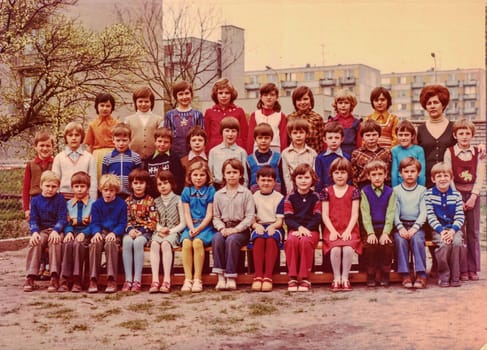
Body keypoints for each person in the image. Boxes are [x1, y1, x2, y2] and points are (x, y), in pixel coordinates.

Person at [443, 118, 484, 281]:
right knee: (461, 232)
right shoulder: (450, 152)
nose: (465, 136)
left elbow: (480, 175)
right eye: (461, 133)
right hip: (456, 196)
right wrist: (456, 197)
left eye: (468, 133)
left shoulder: (478, 152)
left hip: (472, 195)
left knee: (473, 232)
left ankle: (473, 268)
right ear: (455, 135)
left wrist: (473, 196)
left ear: (472, 135)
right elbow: (449, 175)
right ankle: (462, 269)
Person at [212, 158, 255, 291]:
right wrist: (222, 228)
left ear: (241, 174)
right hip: (224, 226)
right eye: (228, 172)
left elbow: (249, 217)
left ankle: (230, 276)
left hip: (240, 229)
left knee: (232, 240)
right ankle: (220, 276)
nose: (231, 175)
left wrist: (236, 229)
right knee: (217, 238)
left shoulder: (246, 193)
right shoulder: (219, 194)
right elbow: (215, 216)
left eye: (235, 172)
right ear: (223, 175)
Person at [321, 158, 362, 292]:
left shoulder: (354, 191)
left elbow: (355, 214)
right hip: (333, 229)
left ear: (348, 174)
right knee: (336, 249)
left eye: (343, 172)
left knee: (348, 249)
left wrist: (348, 230)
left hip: (349, 229)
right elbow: (325, 215)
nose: (339, 176)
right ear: (331, 174)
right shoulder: (326, 191)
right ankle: (336, 278)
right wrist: (332, 231)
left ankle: (345, 278)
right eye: (337, 172)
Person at [23, 171, 67, 292]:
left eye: (54, 187)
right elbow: (33, 219)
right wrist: (35, 232)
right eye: (47, 186)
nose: (50, 189)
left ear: (58, 187)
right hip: (41, 231)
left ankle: (54, 275)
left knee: (55, 242)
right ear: (41, 185)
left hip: (56, 230)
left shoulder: (60, 200)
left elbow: (63, 218)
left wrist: (56, 230)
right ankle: (31, 276)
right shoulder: (36, 200)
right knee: (36, 242)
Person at [425, 162, 465, 287]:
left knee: (457, 242)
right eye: (439, 176)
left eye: (446, 176)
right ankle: (444, 275)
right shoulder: (429, 194)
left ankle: (455, 276)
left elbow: (460, 216)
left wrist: (452, 231)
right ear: (433, 179)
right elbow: (430, 216)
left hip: (454, 229)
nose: (442, 179)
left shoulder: (456, 195)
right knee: (444, 244)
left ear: (451, 178)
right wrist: (442, 231)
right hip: (438, 230)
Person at [179, 161, 217, 293]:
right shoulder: (186, 191)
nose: (198, 178)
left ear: (207, 177)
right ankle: (188, 278)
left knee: (197, 242)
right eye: (195, 175)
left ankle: (197, 278)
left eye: (202, 175)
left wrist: (199, 228)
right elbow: (186, 212)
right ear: (190, 176)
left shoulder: (211, 191)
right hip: (190, 225)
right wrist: (191, 227)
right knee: (186, 243)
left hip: (205, 226)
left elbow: (209, 214)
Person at [284, 163, 321, 292]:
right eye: (300, 177)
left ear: (312, 179)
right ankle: (293, 277)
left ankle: (305, 277)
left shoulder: (316, 197)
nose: (303, 181)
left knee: (305, 242)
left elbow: (317, 217)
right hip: (295, 230)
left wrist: (306, 229)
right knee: (291, 241)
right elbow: (288, 218)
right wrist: (299, 228)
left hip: (312, 231)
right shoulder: (290, 197)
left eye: (306, 177)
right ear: (294, 180)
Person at [88, 174, 127, 294]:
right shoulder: (96, 204)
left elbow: (122, 223)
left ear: (116, 191)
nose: (108, 193)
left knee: (111, 244)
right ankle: (93, 278)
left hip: (115, 232)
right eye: (105, 190)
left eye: (111, 190)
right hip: (101, 231)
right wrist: (96, 233)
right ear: (101, 190)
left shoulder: (121, 204)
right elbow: (94, 222)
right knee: (95, 243)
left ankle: (111, 278)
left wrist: (115, 233)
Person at [393, 157, 428, 289]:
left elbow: (423, 212)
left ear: (418, 173)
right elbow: (394, 212)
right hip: (401, 225)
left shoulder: (422, 191)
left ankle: (421, 273)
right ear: (400, 173)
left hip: (416, 225)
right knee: (400, 240)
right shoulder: (396, 191)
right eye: (406, 171)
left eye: (412, 171)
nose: (409, 174)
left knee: (417, 240)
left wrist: (415, 228)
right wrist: (400, 227)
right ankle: (405, 273)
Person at [360, 160, 395, 287]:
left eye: (380, 174)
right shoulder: (365, 191)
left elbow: (390, 214)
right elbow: (365, 214)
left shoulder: (390, 192)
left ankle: (385, 272)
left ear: (386, 175)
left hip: (385, 227)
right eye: (373, 174)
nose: (377, 177)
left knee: (387, 245)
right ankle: (371, 273)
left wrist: (386, 233)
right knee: (370, 246)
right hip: (370, 228)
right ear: (368, 176)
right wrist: (370, 233)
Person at [122, 169, 158, 293]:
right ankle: (128, 280)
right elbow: (124, 219)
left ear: (146, 184)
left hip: (145, 232)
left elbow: (153, 221)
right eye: (135, 183)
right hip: (130, 231)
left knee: (138, 243)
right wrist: (130, 230)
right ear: (131, 184)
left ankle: (137, 280)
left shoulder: (150, 201)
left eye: (141, 183)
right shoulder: (127, 201)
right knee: (126, 242)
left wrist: (141, 231)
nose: (138, 186)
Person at [149, 170, 185, 293]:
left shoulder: (179, 200)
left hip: (174, 232)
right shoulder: (155, 201)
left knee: (165, 244)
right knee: (154, 244)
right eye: (159, 184)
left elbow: (183, 223)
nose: (163, 186)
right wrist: (159, 229)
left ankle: (167, 279)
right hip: (159, 231)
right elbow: (153, 220)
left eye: (165, 183)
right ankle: (155, 280)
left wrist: (170, 231)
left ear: (172, 184)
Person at [250, 166, 284, 292]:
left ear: (275, 182)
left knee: (270, 239)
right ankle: (258, 276)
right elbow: (251, 219)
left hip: (274, 225)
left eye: (269, 180)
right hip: (258, 224)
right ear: (257, 181)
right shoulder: (253, 197)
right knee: (258, 239)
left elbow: (280, 221)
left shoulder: (279, 197)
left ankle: (268, 276)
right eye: (263, 180)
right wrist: (256, 225)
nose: (266, 183)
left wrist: (272, 226)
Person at [59, 171, 94, 293]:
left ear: (88, 188)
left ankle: (77, 279)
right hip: (71, 232)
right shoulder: (68, 204)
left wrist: (84, 233)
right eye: (76, 187)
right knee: (67, 244)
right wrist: (68, 231)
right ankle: (64, 279)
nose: (79, 190)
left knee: (78, 245)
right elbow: (65, 221)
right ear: (72, 187)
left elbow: (94, 223)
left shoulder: (93, 204)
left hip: (86, 233)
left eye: (82, 186)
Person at [52, 122, 97, 200]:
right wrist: (55, 200)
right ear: (65, 138)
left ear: (82, 137)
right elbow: (55, 180)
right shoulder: (59, 158)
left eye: (77, 135)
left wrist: (92, 201)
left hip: (84, 198)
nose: (73, 138)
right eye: (70, 135)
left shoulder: (89, 157)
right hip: (63, 198)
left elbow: (93, 182)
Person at [163, 81, 204, 159]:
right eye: (180, 94)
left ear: (191, 95)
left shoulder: (198, 115)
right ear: (176, 97)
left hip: (194, 155)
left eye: (187, 93)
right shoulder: (169, 115)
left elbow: (202, 137)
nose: (184, 97)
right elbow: (166, 137)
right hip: (174, 155)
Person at [204, 78, 248, 151]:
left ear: (231, 94)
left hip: (235, 150)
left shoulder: (239, 111)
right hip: (215, 150)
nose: (223, 96)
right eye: (220, 93)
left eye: (227, 93)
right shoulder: (209, 112)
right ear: (216, 95)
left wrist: (245, 152)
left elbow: (244, 135)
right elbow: (206, 136)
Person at [84, 92, 118, 181]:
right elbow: (89, 145)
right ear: (97, 106)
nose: (104, 108)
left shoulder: (117, 124)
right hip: (98, 156)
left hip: (114, 154)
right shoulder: (93, 124)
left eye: (108, 106)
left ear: (112, 108)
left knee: (113, 179)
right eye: (102, 105)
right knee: (99, 180)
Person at [102, 123, 143, 198]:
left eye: (124, 140)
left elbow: (139, 177)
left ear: (130, 140)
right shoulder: (107, 157)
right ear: (113, 140)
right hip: (113, 195)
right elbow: (104, 178)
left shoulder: (135, 157)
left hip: (130, 195)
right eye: (118, 140)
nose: (121, 143)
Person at [124, 86, 163, 163]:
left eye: (146, 101)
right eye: (140, 101)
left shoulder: (159, 120)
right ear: (135, 102)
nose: (143, 104)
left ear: (151, 102)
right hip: (133, 158)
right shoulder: (128, 120)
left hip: (153, 158)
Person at [22, 129, 54, 221]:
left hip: (52, 201)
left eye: (48, 145)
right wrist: (27, 209)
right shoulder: (30, 165)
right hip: (36, 202)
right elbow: (26, 188)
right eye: (42, 145)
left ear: (52, 147)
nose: (45, 148)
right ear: (35, 147)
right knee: (36, 229)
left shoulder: (55, 162)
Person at [208, 116, 248, 189]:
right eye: (227, 131)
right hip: (218, 187)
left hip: (236, 187)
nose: (230, 134)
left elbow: (245, 177)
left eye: (233, 131)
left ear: (238, 133)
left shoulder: (241, 152)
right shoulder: (214, 151)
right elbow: (210, 175)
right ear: (221, 132)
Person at [246, 83, 287, 154]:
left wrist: (283, 156)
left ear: (277, 97)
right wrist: (249, 155)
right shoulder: (255, 115)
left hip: (275, 151)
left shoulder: (281, 116)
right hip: (257, 151)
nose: (269, 97)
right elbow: (250, 138)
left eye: (272, 95)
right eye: (265, 95)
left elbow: (283, 139)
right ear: (261, 97)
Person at [351, 119, 391, 189]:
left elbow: (389, 173)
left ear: (379, 135)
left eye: (374, 135)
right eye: (368, 135)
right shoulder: (356, 154)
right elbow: (354, 176)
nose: (371, 138)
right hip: (363, 187)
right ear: (362, 137)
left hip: (382, 187)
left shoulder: (386, 152)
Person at [281, 118, 317, 194]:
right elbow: (286, 176)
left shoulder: (312, 153)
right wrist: (290, 192)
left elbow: (313, 173)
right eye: (295, 133)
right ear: (290, 135)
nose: (298, 135)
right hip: (293, 191)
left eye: (301, 132)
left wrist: (311, 190)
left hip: (309, 190)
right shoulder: (285, 153)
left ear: (306, 134)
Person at [145, 127, 184, 197]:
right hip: (153, 197)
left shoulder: (174, 158)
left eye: (166, 142)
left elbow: (179, 180)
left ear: (171, 144)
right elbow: (147, 181)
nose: (162, 144)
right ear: (155, 142)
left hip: (171, 197)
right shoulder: (149, 160)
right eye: (159, 141)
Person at [287, 86, 326, 155]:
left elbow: (322, 142)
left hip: (313, 157)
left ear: (310, 100)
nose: (302, 102)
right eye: (299, 100)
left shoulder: (317, 118)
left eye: (305, 99)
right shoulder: (290, 118)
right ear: (294, 102)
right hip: (294, 157)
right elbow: (287, 141)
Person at [315, 121, 350, 193]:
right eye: (330, 138)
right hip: (326, 193)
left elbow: (349, 178)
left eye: (337, 138)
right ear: (325, 139)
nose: (333, 141)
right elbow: (318, 180)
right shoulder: (320, 158)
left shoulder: (346, 157)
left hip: (343, 192)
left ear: (342, 139)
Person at [247, 122, 282, 193]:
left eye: (266, 138)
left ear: (271, 139)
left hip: (275, 196)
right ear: (255, 139)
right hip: (255, 197)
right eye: (260, 138)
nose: (263, 141)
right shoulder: (249, 159)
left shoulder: (278, 157)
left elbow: (282, 179)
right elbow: (247, 181)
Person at [391, 120, 426, 187]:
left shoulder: (419, 150)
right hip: (400, 186)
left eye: (406, 135)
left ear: (412, 136)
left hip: (416, 186)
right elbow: (394, 173)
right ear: (397, 136)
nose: (403, 138)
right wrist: (394, 190)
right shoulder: (394, 150)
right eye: (400, 135)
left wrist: (421, 188)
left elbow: (421, 172)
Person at [328, 88, 362, 156]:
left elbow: (359, 144)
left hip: (351, 155)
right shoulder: (331, 122)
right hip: (334, 155)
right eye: (340, 103)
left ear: (351, 105)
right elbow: (327, 143)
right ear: (336, 104)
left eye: (346, 103)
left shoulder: (357, 123)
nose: (343, 105)